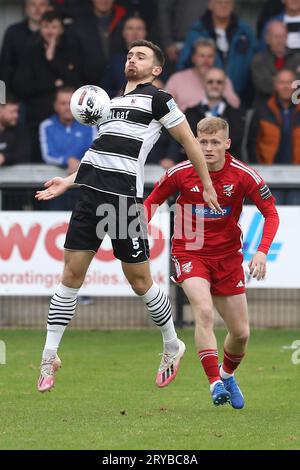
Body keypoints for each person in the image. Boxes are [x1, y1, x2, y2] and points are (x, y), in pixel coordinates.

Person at [35, 40, 220, 393]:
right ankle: (49, 356)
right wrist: (67, 182)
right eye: (130, 55)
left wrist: (207, 184)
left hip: (122, 203)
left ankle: (171, 345)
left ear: (155, 69)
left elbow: (190, 143)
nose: (132, 59)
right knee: (71, 276)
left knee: (139, 282)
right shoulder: (108, 104)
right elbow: (100, 154)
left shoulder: (159, 99)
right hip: (90, 197)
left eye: (142, 56)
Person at [144, 117, 279, 408]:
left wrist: (262, 251)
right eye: (202, 142)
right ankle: (214, 383)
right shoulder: (180, 172)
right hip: (189, 252)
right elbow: (151, 201)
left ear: (226, 144)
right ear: (194, 141)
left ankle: (227, 375)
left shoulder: (243, 175)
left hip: (228, 257)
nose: (207, 148)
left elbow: (271, 213)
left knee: (241, 334)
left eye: (214, 142)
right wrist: (139, 227)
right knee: (204, 312)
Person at [177, 0, 256, 98]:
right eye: (219, 2)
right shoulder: (196, 31)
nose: (223, 6)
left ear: (233, 6)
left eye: (227, 3)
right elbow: (184, 64)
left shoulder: (245, 31)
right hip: (202, 96)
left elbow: (254, 62)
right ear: (210, 5)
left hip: (240, 95)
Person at [39, 87, 97, 210]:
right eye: (62, 103)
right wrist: (68, 160)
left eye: (70, 103)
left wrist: (79, 163)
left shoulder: (89, 124)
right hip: (54, 187)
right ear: (55, 106)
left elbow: (96, 152)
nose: (67, 107)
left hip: (84, 186)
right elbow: (47, 155)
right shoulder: (46, 126)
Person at [165, 38, 240, 112]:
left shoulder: (221, 78)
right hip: (185, 122)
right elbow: (165, 107)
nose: (206, 60)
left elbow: (235, 106)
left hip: (215, 122)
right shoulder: (177, 79)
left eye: (210, 56)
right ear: (193, 58)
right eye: (202, 56)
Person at [185, 67, 245, 157]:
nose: (215, 85)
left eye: (219, 82)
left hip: (228, 166)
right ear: (203, 84)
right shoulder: (190, 113)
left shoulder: (237, 114)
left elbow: (236, 142)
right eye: (210, 82)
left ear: (225, 85)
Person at [0, 0, 49, 93]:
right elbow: (4, 67)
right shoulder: (13, 32)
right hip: (18, 95)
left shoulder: (56, 33)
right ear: (26, 8)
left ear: (48, 8)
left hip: (49, 97)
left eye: (42, 5)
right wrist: (2, 98)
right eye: (33, 4)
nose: (37, 9)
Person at [252, 21, 300, 104]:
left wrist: (275, 80)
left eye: (282, 36)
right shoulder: (258, 60)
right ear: (267, 39)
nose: (280, 40)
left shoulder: (297, 59)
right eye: (276, 37)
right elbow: (264, 86)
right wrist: (291, 82)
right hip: (266, 107)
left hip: (294, 107)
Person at [0, 94, 31, 166]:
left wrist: (4, 158)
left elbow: (25, 156)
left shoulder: (21, 130)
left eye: (17, 111)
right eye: (12, 112)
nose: (16, 116)